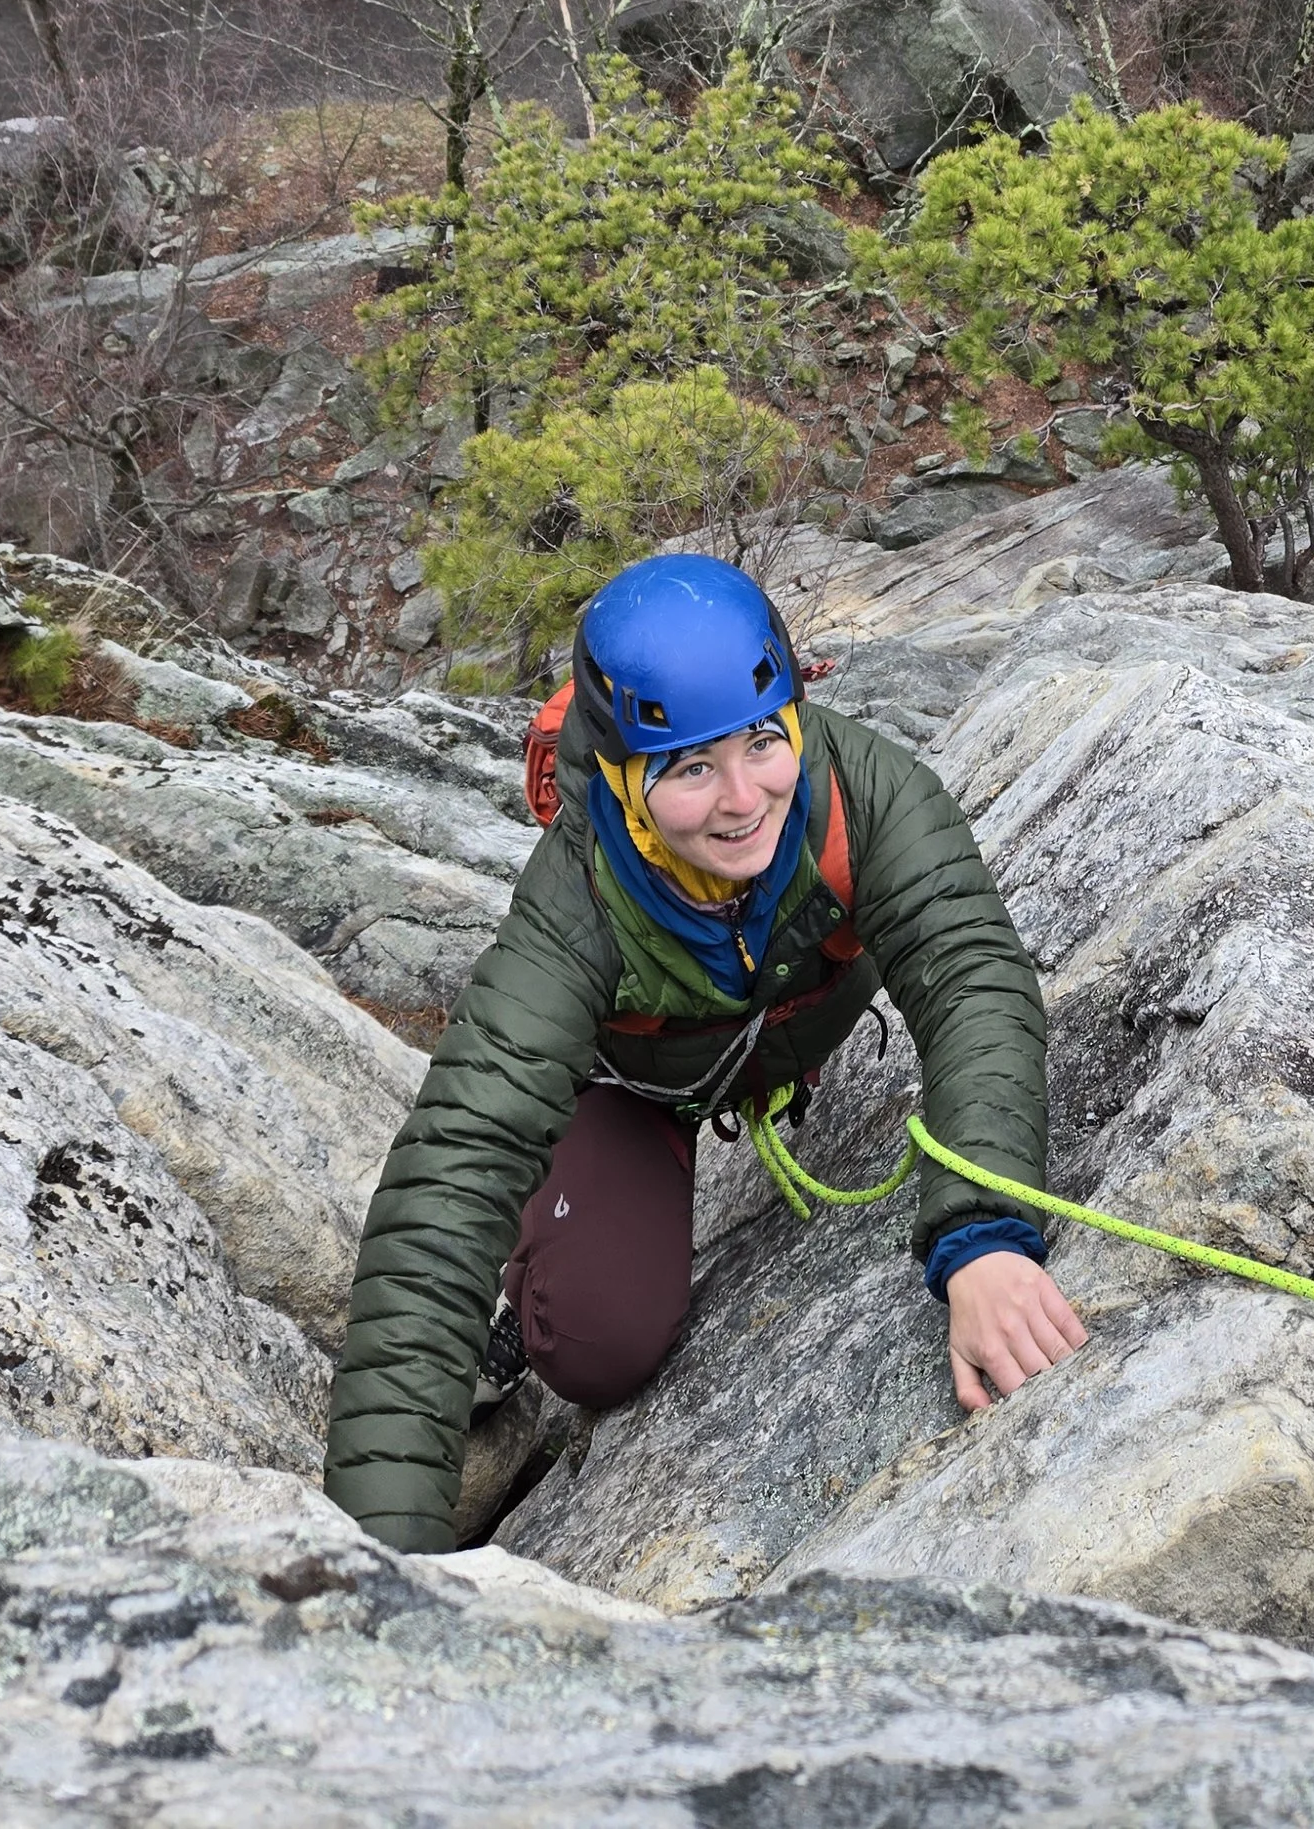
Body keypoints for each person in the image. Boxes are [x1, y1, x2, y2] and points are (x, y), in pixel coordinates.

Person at [323, 550, 1085, 1552]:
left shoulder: (864, 791)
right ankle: (538, 1258)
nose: (741, 798)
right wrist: (375, 1566)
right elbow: (453, 1170)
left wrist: (982, 1236)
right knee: (599, 1343)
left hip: (774, 1050)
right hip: (631, 1091)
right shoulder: (578, 902)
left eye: (763, 743)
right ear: (625, 780)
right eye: (689, 766)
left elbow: (972, 976)